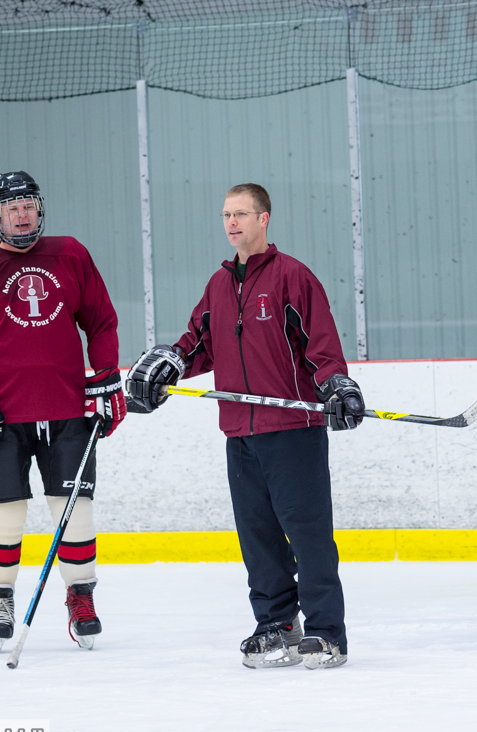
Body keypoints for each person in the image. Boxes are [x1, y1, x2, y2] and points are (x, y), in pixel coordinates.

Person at [125, 183, 360, 670]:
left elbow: (321, 346)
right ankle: (276, 624)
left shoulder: (293, 277)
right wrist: (170, 363)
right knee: (258, 538)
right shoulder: (218, 284)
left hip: (292, 427)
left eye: (241, 214)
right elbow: (199, 342)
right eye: (226, 215)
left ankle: (325, 632)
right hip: (239, 431)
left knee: (308, 533)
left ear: (264, 219)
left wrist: (336, 385)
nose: (232, 223)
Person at [0, 171, 124, 652]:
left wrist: (104, 375)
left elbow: (100, 320)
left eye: (27, 205)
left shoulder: (70, 254)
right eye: (10, 207)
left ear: (39, 208)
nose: (21, 215)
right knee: (3, 513)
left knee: (74, 511)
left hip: (68, 410)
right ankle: (0, 598)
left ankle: (80, 598)